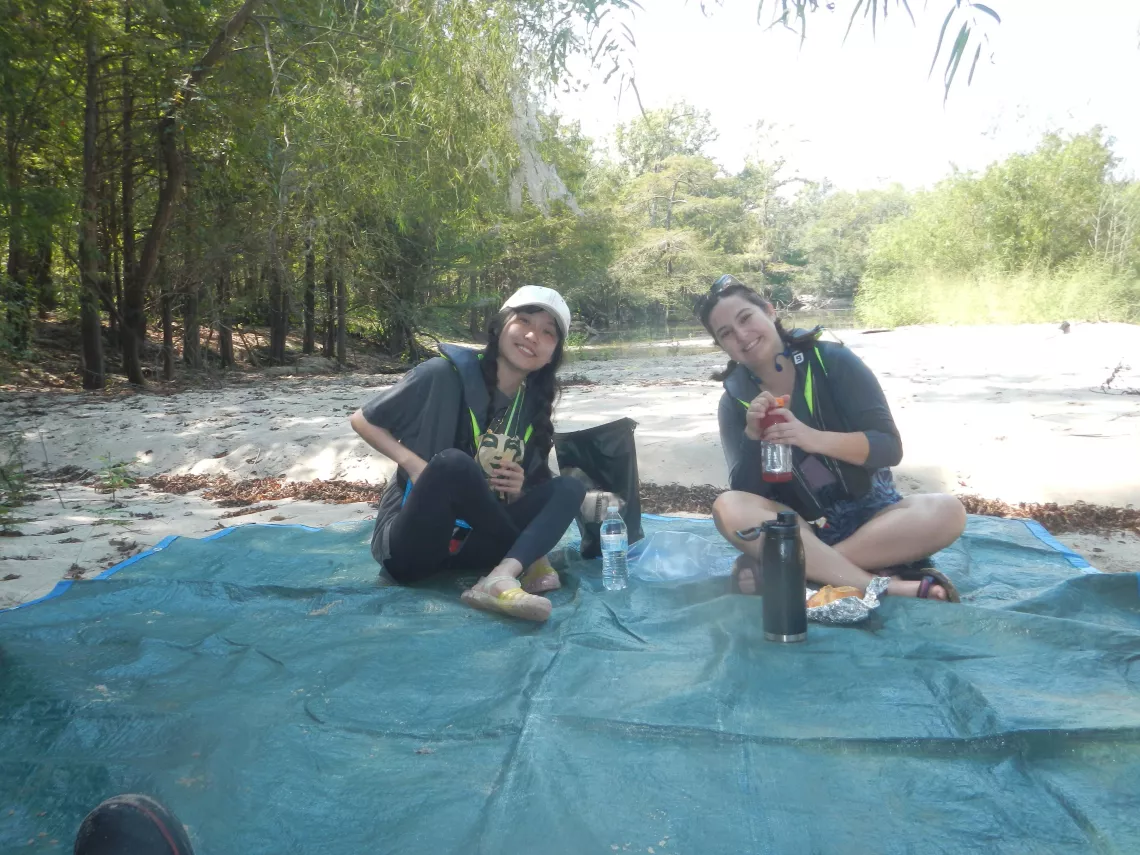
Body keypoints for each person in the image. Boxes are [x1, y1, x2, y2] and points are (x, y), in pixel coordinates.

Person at [697, 274, 966, 600]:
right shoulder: (733, 403)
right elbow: (746, 496)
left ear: (769, 311)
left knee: (949, 511)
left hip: (875, 521)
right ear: (722, 346)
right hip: (799, 531)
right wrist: (753, 438)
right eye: (726, 333)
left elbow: (888, 447)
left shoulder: (832, 362)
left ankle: (796, 570)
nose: (742, 335)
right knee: (727, 507)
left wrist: (811, 438)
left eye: (746, 318)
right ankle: (883, 584)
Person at [349, 285, 592, 622]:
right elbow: (363, 420)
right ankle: (532, 558)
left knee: (570, 487)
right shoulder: (441, 375)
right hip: (413, 548)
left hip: (477, 550)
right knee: (452, 465)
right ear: (500, 326)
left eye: (548, 332)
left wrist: (518, 489)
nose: (533, 335)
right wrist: (416, 465)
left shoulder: (531, 406)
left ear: (553, 353)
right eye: (524, 321)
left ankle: (499, 578)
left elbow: (532, 496)